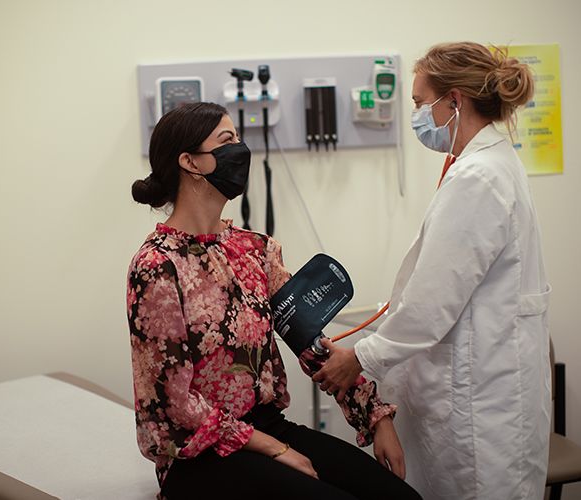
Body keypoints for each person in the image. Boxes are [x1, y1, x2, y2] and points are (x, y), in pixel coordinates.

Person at [126, 102, 422, 500]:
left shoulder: (256, 251)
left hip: (266, 425)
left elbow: (310, 343)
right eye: (226, 140)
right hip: (200, 456)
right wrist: (275, 449)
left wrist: (376, 416)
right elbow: (173, 403)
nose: (241, 149)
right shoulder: (157, 266)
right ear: (190, 162)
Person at [312, 42, 551, 500]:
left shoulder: (479, 178)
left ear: (455, 101)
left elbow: (431, 303)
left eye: (422, 103)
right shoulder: (491, 163)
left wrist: (359, 358)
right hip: (489, 388)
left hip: (480, 406)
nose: (417, 114)